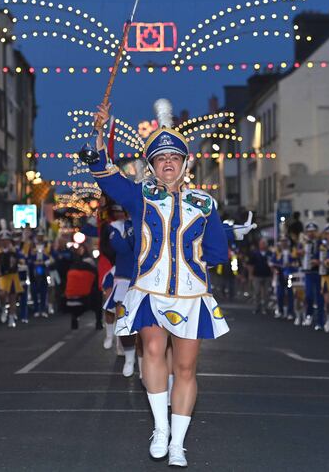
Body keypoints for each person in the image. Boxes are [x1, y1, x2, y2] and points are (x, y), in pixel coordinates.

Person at [84, 99, 252, 467]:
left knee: (187, 369)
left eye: (174, 157)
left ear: (185, 163)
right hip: (148, 292)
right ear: (152, 166)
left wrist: (207, 251)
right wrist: (98, 132)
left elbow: (218, 253)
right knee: (154, 350)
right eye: (160, 159)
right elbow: (104, 171)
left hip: (191, 296)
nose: (168, 163)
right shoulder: (140, 196)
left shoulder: (203, 203)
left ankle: (179, 441)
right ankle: (161, 429)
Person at [101, 203, 139, 376]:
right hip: (124, 278)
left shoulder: (146, 223)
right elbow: (122, 248)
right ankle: (129, 359)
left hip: (146, 279)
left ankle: (144, 365)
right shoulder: (114, 228)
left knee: (146, 327)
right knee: (123, 321)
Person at [0, 219, 25, 328]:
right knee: (2, 294)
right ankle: (3, 308)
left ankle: (12, 317)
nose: (5, 242)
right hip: (3, 276)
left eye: (7, 239)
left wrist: (18, 259)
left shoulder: (15, 250)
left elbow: (22, 258)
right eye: (2, 240)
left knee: (13, 297)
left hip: (13, 276)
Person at [26, 230, 53, 318]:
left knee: (44, 291)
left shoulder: (47, 246)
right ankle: (36, 309)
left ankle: (43, 309)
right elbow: (28, 258)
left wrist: (45, 263)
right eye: (38, 235)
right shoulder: (31, 246)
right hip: (34, 271)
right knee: (34, 291)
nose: (40, 237)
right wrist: (33, 262)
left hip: (44, 270)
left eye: (41, 235)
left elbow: (51, 258)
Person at [248, 238, 273, 315]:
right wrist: (250, 274)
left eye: (264, 243)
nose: (263, 245)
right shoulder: (255, 253)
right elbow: (251, 265)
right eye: (261, 243)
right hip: (257, 275)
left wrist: (272, 275)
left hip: (267, 275)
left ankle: (265, 308)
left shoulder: (270, 253)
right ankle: (257, 307)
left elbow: (272, 265)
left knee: (266, 292)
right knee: (257, 291)